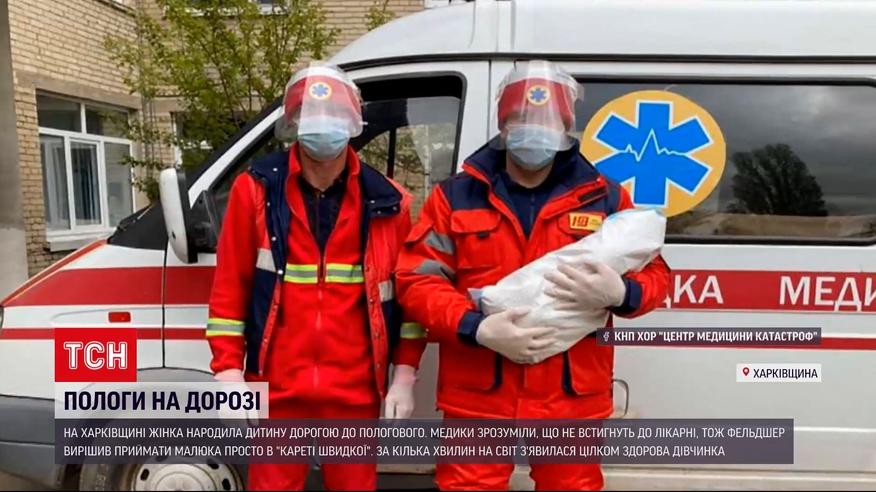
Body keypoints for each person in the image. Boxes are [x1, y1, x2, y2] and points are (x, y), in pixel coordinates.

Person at [395, 60, 671, 491]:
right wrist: (476, 327)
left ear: (565, 127)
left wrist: (622, 292)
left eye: (547, 122)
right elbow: (418, 280)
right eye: (522, 121)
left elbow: (656, 275)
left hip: (569, 393)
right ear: (503, 126)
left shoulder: (604, 196)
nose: (534, 132)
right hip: (479, 390)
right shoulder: (456, 196)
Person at [206, 63, 426, 491]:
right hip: (276, 391)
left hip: (355, 393)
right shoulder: (255, 191)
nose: (324, 129)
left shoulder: (390, 202)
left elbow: (407, 303)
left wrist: (404, 375)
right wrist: (228, 372)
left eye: (334, 118)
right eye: (314, 118)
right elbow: (230, 289)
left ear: (353, 125)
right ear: (294, 125)